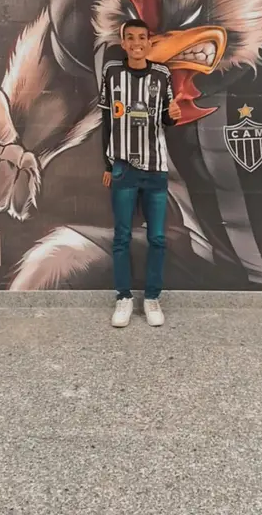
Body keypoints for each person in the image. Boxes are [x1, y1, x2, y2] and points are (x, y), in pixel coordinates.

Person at [99, 19, 182, 327]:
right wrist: (109, 165)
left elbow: (167, 118)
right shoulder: (112, 73)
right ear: (123, 43)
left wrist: (174, 116)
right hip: (123, 168)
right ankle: (123, 297)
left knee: (157, 238)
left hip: (155, 169)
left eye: (142, 38)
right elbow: (107, 123)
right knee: (121, 236)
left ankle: (151, 298)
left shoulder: (162, 74)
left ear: (149, 42)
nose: (136, 43)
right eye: (130, 38)